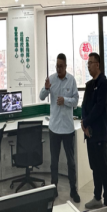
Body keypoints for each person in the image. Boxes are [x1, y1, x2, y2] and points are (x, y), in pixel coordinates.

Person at [40, 53, 81, 203]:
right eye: (57, 66)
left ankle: (73, 190)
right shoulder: (51, 79)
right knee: (54, 161)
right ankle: (54, 188)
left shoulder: (71, 80)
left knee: (71, 162)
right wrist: (46, 88)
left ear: (66, 66)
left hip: (68, 129)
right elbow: (41, 97)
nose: (58, 69)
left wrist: (65, 101)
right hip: (54, 128)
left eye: (61, 66)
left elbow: (76, 101)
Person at [82, 52, 107, 212]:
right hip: (90, 134)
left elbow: (99, 108)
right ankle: (96, 197)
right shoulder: (89, 84)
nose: (88, 66)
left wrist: (86, 122)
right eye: (87, 63)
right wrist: (84, 124)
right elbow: (85, 106)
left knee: (103, 167)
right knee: (94, 166)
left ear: (98, 64)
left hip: (99, 133)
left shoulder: (103, 83)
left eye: (91, 63)